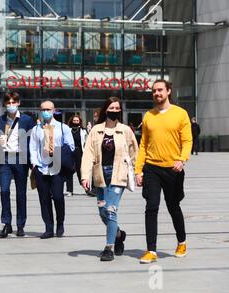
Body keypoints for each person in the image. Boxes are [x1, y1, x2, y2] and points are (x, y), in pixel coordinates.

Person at [135, 79, 192, 264]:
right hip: (152, 168)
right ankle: (151, 250)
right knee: (151, 207)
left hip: (173, 169)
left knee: (173, 206)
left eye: (160, 90)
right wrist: (138, 170)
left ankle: (181, 242)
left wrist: (182, 159)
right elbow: (143, 145)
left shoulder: (180, 114)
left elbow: (187, 141)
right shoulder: (148, 116)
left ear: (168, 91)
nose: (157, 93)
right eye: (154, 91)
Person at [81, 97, 139, 261]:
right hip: (100, 174)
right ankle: (119, 234)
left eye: (117, 108)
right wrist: (85, 176)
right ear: (105, 110)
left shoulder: (125, 130)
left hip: (118, 174)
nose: (114, 111)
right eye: (111, 108)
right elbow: (88, 155)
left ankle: (109, 248)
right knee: (102, 212)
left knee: (111, 210)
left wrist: (139, 173)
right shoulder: (96, 130)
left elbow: (136, 153)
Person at [29, 100, 75, 239]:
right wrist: (35, 165)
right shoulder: (36, 129)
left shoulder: (63, 128)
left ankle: (60, 223)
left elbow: (71, 146)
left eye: (48, 109)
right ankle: (48, 228)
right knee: (44, 199)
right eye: (43, 109)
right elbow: (33, 148)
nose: (45, 112)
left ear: (54, 110)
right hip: (41, 168)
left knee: (58, 197)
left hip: (57, 168)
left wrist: (55, 151)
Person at [0, 92, 35, 238]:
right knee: (4, 191)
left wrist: (33, 161)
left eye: (13, 102)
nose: (11, 105)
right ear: (5, 105)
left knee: (20, 193)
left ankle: (20, 225)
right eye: (8, 103)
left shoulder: (27, 120)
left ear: (18, 103)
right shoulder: (1, 119)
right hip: (5, 158)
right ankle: (7, 223)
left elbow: (32, 140)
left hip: (21, 159)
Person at [64, 115, 87, 197]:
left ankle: (86, 188)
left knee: (80, 171)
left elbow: (86, 142)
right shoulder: (68, 130)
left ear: (79, 121)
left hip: (80, 152)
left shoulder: (83, 131)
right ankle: (69, 190)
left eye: (77, 120)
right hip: (70, 152)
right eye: (74, 120)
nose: (76, 122)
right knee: (69, 171)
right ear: (71, 121)